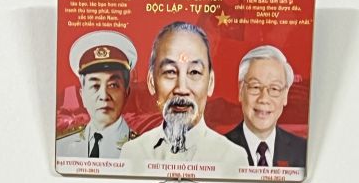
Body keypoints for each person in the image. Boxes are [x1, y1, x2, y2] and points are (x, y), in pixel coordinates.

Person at [120, 21, 247, 167]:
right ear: (151, 82)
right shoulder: (133, 154)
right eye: (170, 72)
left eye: (194, 72)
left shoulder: (232, 159)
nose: (181, 88)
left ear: (210, 83)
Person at [56, 30, 138, 159]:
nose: (104, 96)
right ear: (82, 95)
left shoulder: (143, 150)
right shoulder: (61, 146)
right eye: (95, 86)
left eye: (113, 85)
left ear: (126, 93)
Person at [223, 46, 307, 168]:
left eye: (274, 88)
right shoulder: (218, 150)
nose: (264, 99)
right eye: (255, 87)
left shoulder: (303, 151)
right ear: (241, 90)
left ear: (285, 95)